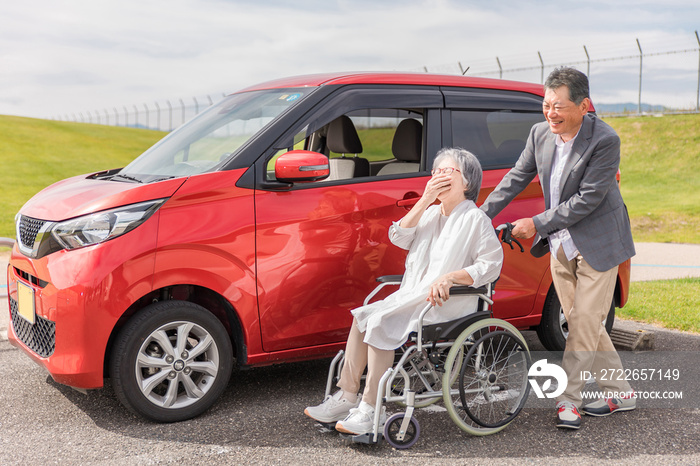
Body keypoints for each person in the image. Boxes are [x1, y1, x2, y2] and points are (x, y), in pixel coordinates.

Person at [304, 147, 504, 435]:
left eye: (448, 172)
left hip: (447, 302)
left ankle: (371, 406)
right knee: (362, 316)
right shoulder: (431, 213)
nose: (440, 177)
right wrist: (424, 200)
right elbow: (398, 236)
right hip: (414, 294)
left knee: (380, 321)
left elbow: (491, 265)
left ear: (467, 182)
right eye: (436, 172)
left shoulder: (474, 219)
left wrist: (451, 277)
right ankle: (347, 396)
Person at [480, 67, 636, 430]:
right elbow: (516, 177)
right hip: (561, 244)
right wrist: (478, 215)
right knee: (586, 323)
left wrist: (535, 223)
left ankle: (570, 400)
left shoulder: (605, 140)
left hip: (600, 241)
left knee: (582, 322)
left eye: (558, 106)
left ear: (583, 106)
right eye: (546, 105)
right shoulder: (540, 134)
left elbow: (587, 200)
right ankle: (621, 392)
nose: (550, 113)